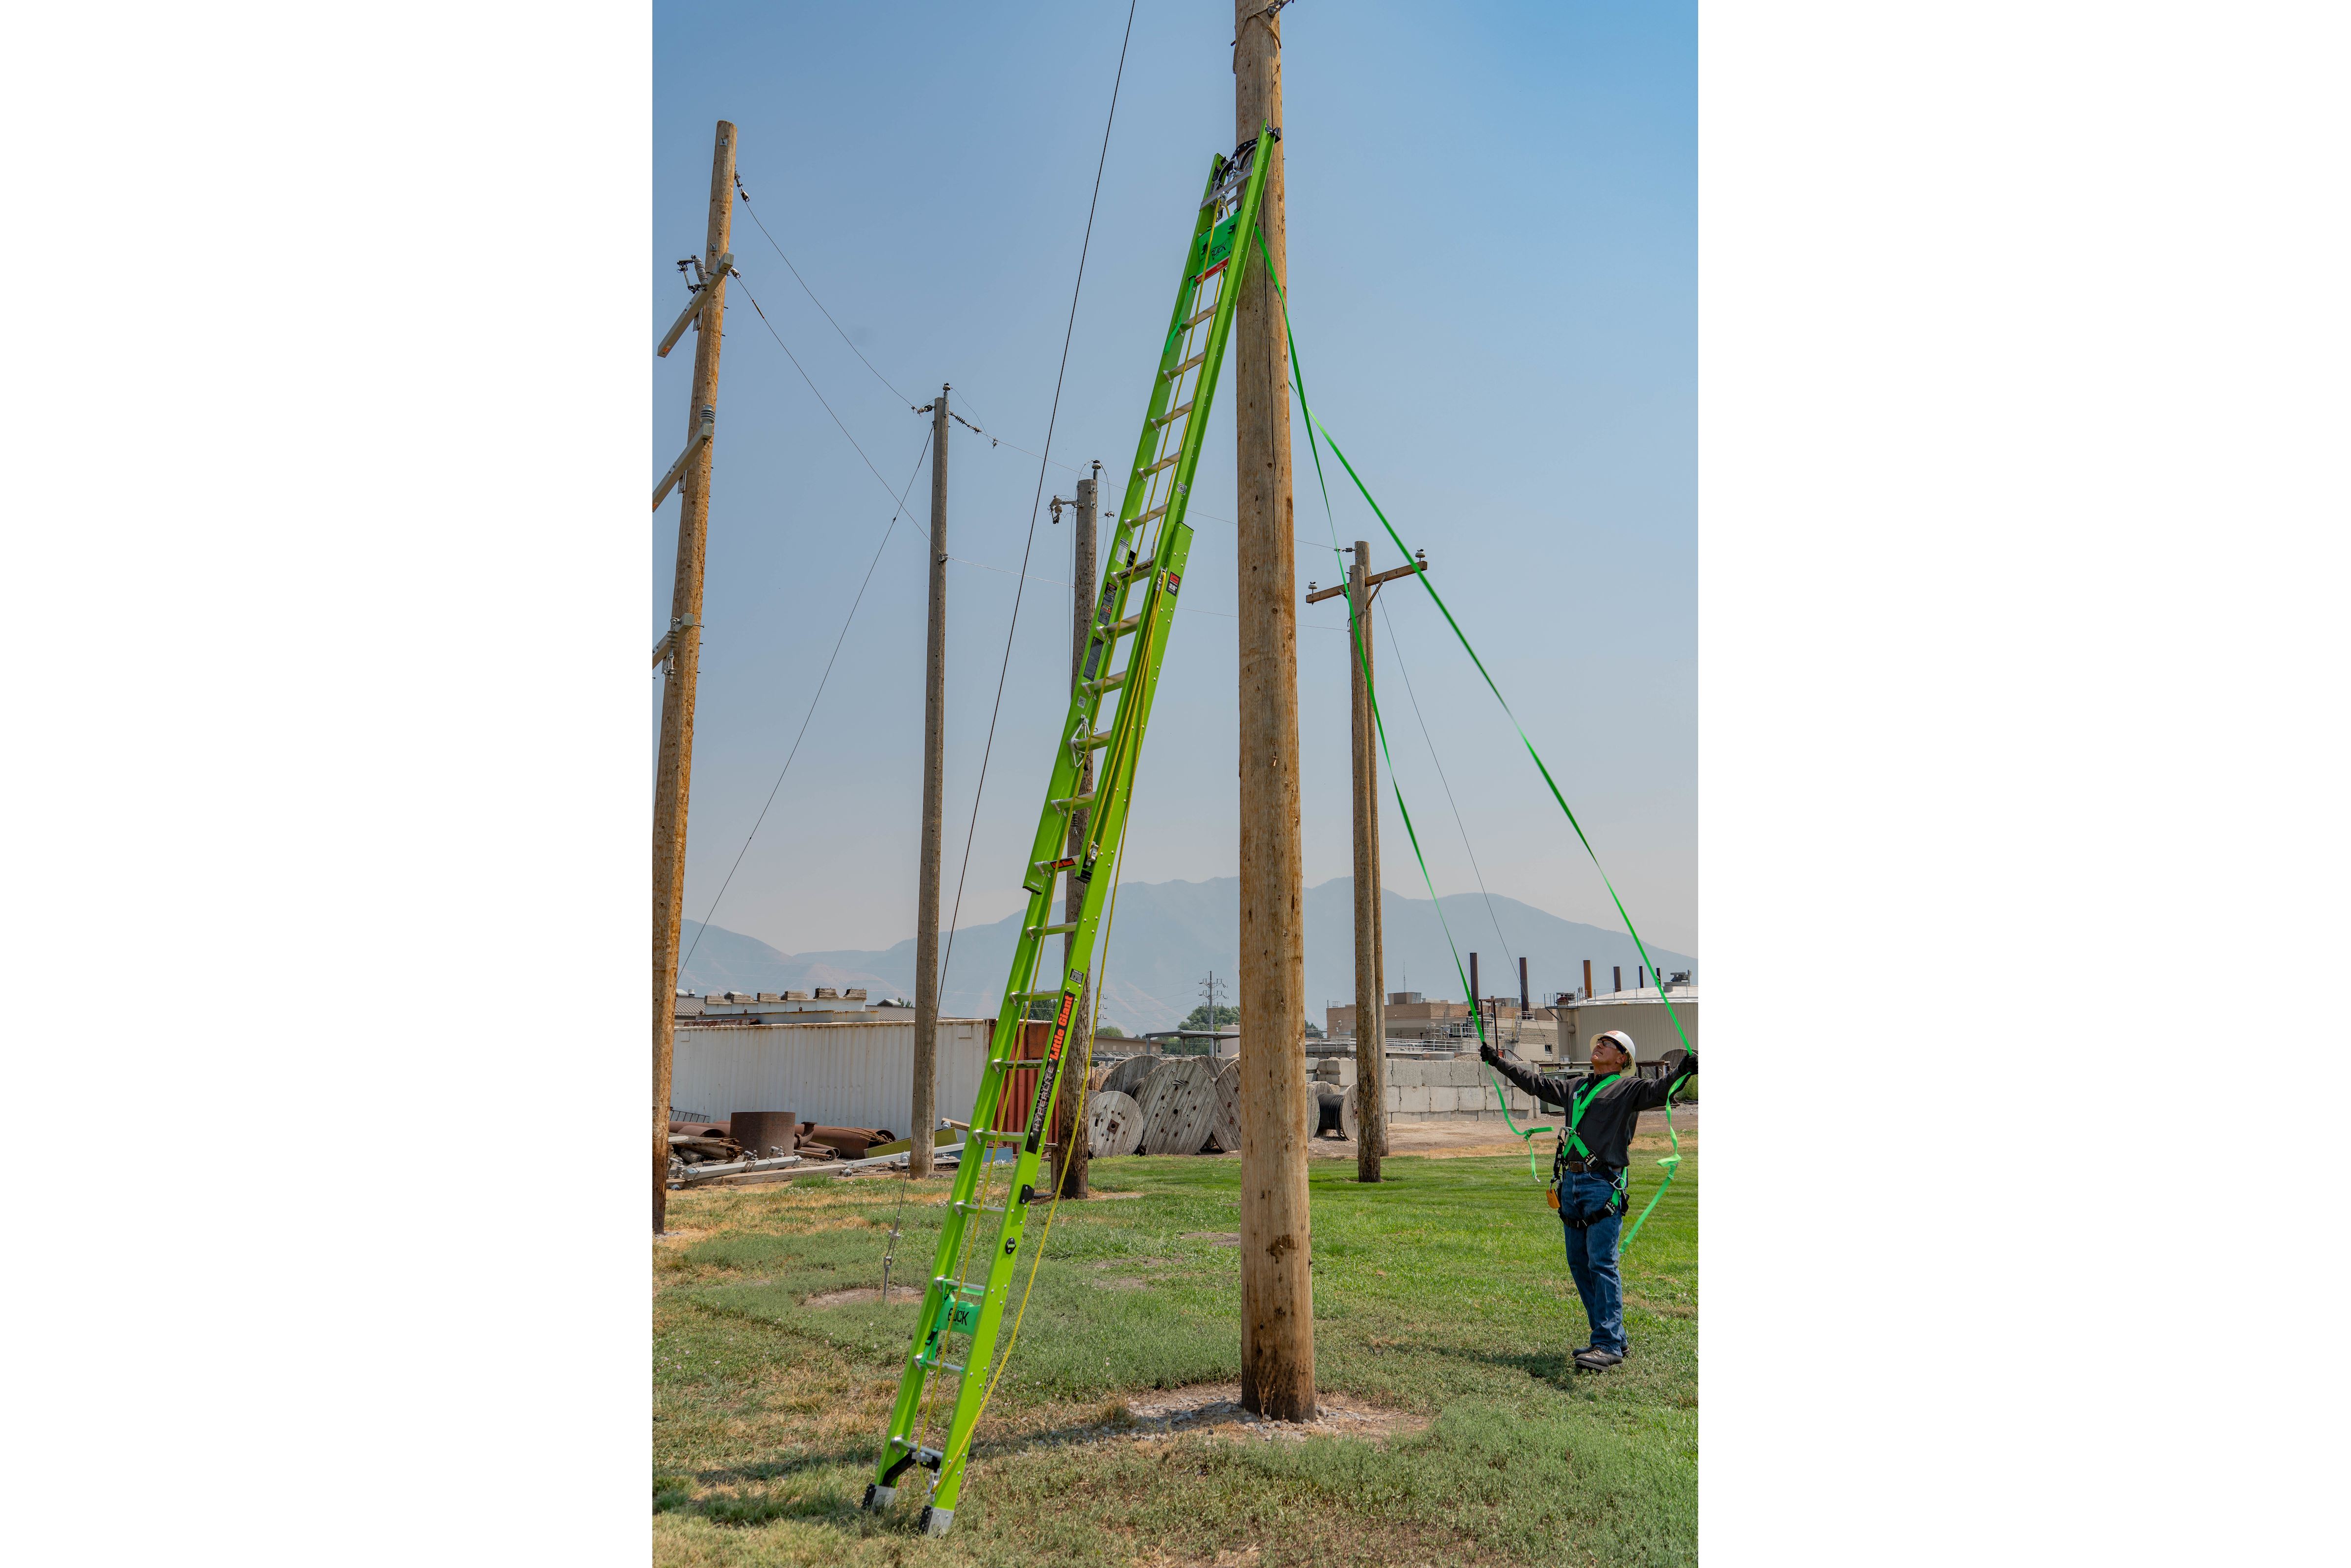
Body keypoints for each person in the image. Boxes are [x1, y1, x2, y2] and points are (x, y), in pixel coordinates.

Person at [1480, 1029, 1697, 1372]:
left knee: (1602, 1264)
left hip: (1602, 1184)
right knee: (1579, 1264)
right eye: (1599, 1042)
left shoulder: (1629, 1088)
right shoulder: (1576, 1087)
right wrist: (1498, 1062)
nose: (1599, 1046)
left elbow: (1661, 1090)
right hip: (1571, 1183)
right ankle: (1612, 1338)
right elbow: (1536, 1084)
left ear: (1622, 1059)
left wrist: (1684, 1069)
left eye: (1608, 1045)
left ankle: (1607, 1344)